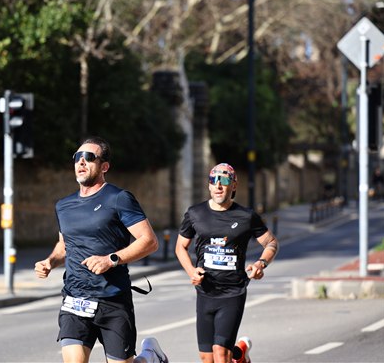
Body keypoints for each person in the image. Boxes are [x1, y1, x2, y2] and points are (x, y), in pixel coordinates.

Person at [35, 136, 160, 363]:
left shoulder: (119, 198)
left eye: (89, 157)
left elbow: (149, 241)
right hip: (74, 298)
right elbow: (64, 245)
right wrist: (50, 262)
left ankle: (150, 357)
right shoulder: (63, 206)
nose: (81, 162)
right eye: (77, 157)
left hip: (112, 299)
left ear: (104, 167)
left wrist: (111, 259)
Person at [175, 163, 279, 363]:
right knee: (207, 358)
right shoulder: (195, 213)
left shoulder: (246, 216)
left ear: (234, 185)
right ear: (209, 185)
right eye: (213, 180)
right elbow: (180, 247)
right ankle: (241, 356)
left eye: (224, 180)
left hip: (233, 292)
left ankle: (235, 354)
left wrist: (261, 264)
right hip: (205, 292)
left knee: (221, 354)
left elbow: (271, 242)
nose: (218, 185)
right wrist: (191, 271)